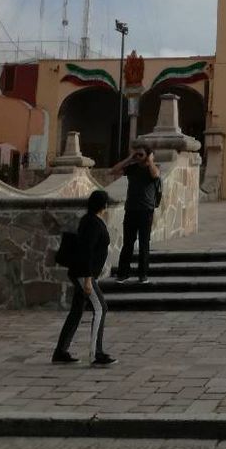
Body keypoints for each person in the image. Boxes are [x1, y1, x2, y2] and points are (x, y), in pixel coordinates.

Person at [53, 189, 116, 366]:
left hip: (81, 273)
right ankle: (97, 354)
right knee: (100, 308)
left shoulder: (89, 220)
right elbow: (86, 251)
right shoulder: (93, 223)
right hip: (84, 274)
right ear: (103, 205)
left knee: (76, 311)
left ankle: (60, 352)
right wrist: (88, 278)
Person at [112, 146, 160, 283]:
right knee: (128, 243)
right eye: (137, 153)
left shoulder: (153, 168)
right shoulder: (132, 168)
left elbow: (156, 175)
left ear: (148, 155)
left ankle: (142, 275)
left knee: (144, 243)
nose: (138, 155)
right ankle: (123, 274)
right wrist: (129, 158)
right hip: (131, 210)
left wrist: (150, 160)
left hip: (146, 211)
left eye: (141, 153)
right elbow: (113, 171)